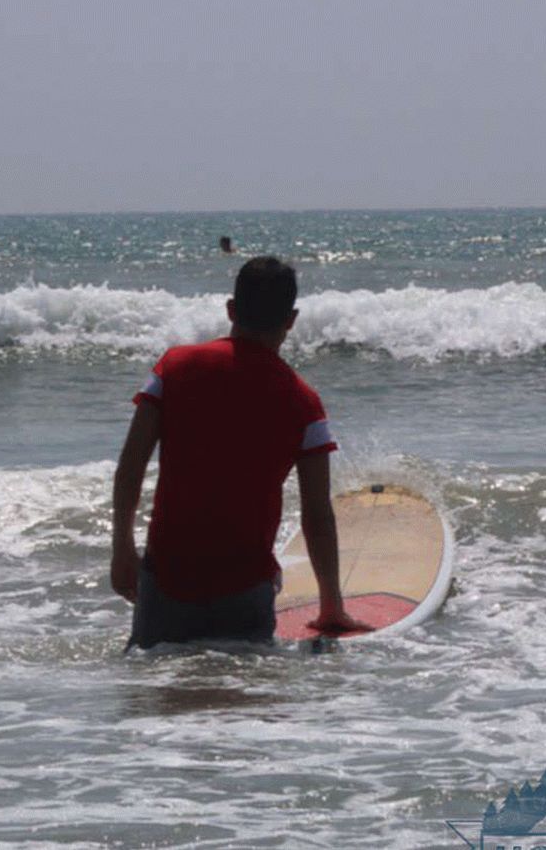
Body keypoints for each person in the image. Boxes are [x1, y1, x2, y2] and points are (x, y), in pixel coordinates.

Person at [111, 256, 366, 648]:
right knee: (242, 695)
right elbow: (317, 513)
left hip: (167, 585)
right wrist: (331, 604)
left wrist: (123, 549)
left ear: (231, 309)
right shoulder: (304, 402)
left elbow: (131, 467)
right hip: (244, 592)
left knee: (153, 683)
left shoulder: (173, 368)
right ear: (291, 320)